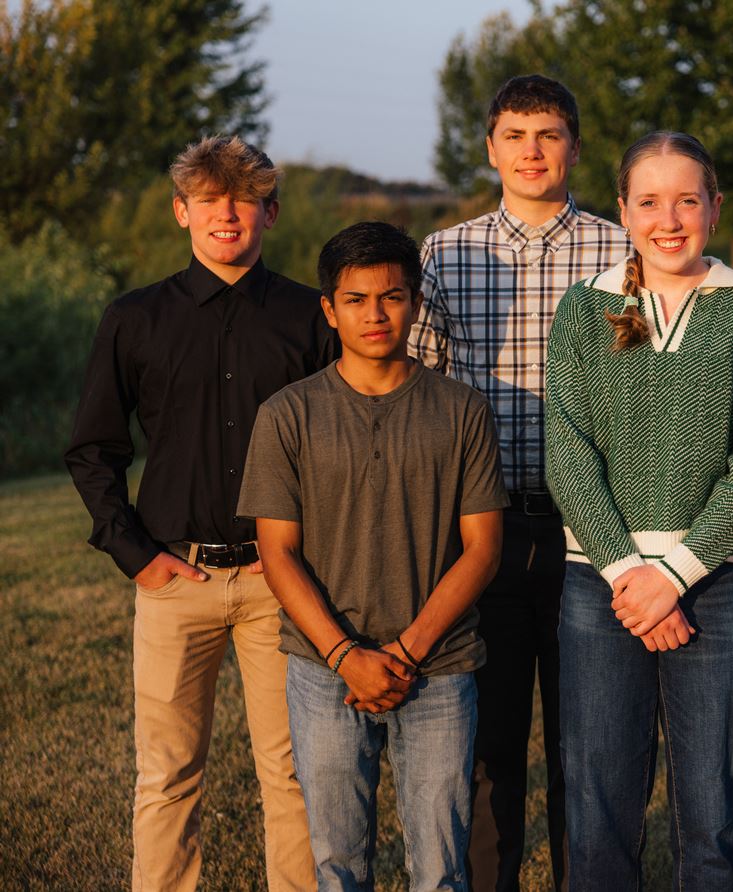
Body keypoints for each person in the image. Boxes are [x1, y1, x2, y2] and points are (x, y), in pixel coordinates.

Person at [65, 136, 333, 891]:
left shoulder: (308, 319)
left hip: (281, 581)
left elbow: (336, 449)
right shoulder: (134, 318)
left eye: (244, 199)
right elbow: (93, 448)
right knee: (168, 771)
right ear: (183, 211)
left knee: (293, 773)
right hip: (172, 579)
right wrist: (137, 555)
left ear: (269, 213)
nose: (227, 213)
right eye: (210, 199)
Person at [545, 131, 733, 888]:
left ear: (715, 208)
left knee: (713, 813)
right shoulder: (586, 309)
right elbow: (568, 450)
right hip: (602, 583)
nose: (669, 218)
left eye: (688, 199)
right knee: (598, 811)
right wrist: (632, 575)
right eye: (649, 201)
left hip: (716, 583)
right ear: (622, 210)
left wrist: (675, 576)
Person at [237, 221, 508, 890]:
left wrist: (407, 652)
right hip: (324, 667)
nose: (375, 314)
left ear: (415, 302)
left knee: (441, 867)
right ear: (328, 309)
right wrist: (345, 656)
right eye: (355, 299)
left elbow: (482, 549)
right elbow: (277, 553)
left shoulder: (462, 410)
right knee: (337, 861)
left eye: (391, 297)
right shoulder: (287, 414)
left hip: (438, 665)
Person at [408, 74, 630, 891]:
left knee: (590, 744)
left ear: (574, 145)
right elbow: (424, 388)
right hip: (486, 531)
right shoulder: (446, 251)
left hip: (593, 529)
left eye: (548, 135)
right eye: (514, 135)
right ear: (491, 146)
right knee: (489, 743)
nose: (531, 151)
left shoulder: (620, 250)